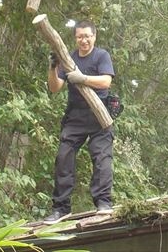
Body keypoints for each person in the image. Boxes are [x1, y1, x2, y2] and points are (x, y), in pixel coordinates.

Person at [43, 20, 116, 224]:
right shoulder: (69, 59)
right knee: (63, 158)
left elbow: (106, 81)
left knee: (101, 158)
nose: (84, 40)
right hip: (74, 117)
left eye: (87, 36)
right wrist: (53, 67)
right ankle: (61, 208)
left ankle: (103, 203)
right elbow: (55, 87)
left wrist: (82, 78)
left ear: (94, 36)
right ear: (75, 38)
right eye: (80, 37)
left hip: (99, 115)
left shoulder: (101, 56)